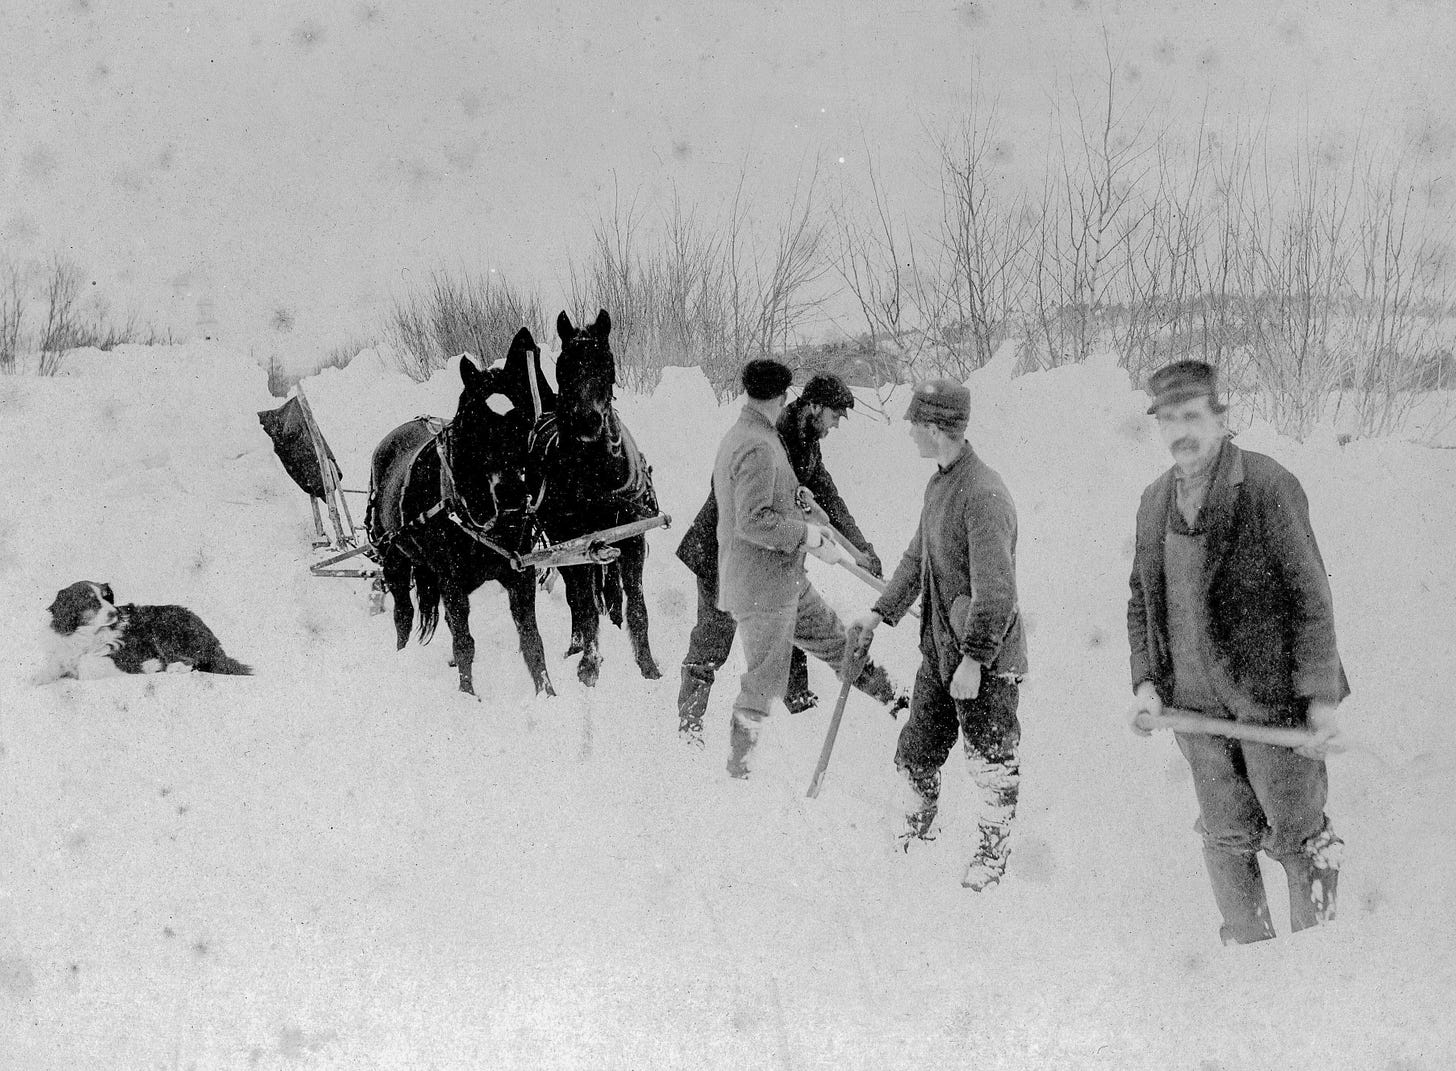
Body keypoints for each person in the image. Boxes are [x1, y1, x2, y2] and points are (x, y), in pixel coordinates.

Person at [1127, 359, 1347, 945]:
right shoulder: (1153, 501)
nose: (1180, 431)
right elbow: (1140, 601)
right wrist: (1146, 682)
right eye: (1168, 419)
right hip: (1195, 714)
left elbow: (1311, 597)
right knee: (1225, 837)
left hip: (1269, 707)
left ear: (1222, 417)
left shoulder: (1267, 484)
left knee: (1301, 840)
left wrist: (1322, 700)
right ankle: (1249, 967)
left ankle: (1321, 964)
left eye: (1192, 415)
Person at [851, 379, 1028, 891]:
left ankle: (993, 855)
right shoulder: (940, 483)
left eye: (913, 425)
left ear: (934, 427)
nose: (909, 434)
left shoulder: (984, 494)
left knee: (991, 763)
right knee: (918, 748)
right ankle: (918, 826)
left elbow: (996, 592)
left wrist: (974, 659)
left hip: (984, 661)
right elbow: (916, 557)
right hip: (941, 652)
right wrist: (880, 613)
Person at [675, 372, 896, 743]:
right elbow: (746, 509)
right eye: (834, 415)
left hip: (771, 560)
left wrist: (861, 549)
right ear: (814, 407)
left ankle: (803, 705)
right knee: (713, 642)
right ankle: (689, 729)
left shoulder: (805, 438)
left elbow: (825, 492)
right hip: (724, 554)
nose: (835, 425)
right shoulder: (768, 435)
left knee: (796, 621)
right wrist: (804, 533)